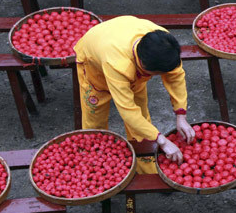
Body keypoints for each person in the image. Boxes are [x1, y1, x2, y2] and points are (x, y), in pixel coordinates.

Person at [74, 16, 195, 173]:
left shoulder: (165, 46)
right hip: (94, 62)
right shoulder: (117, 64)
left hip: (118, 36)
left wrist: (181, 115)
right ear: (143, 66)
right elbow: (127, 111)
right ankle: (94, 162)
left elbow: (176, 76)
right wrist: (163, 141)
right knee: (95, 116)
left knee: (142, 117)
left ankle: (145, 165)